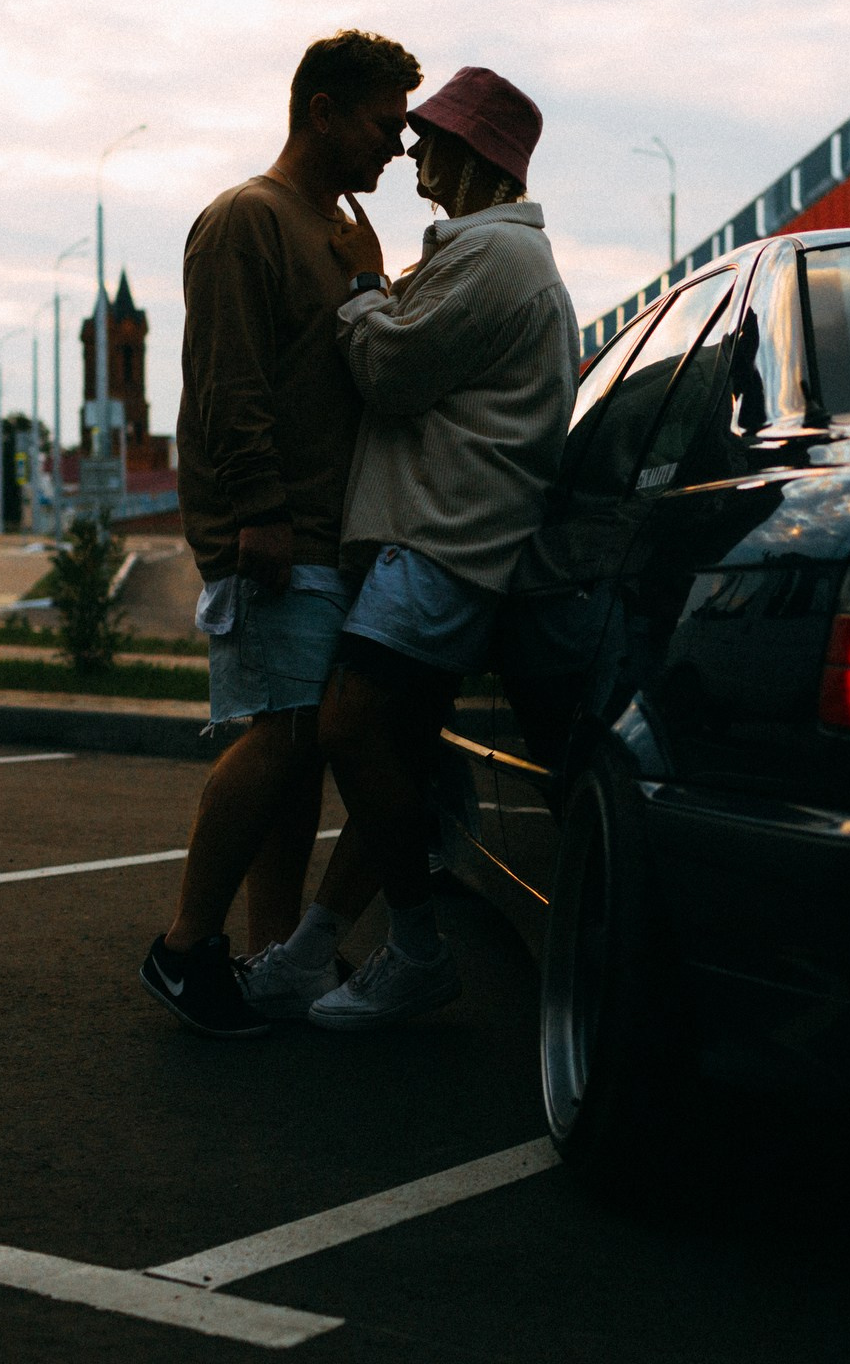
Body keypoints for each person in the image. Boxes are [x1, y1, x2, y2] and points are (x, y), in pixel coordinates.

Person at [237, 66, 577, 1030]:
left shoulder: (496, 259)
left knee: (348, 725)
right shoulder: (488, 258)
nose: (412, 150)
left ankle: (418, 950)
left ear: (472, 157)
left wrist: (357, 287)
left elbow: (388, 370)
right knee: (397, 746)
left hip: (441, 539)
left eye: (429, 137)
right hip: (448, 538)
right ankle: (315, 952)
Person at [138, 29, 422, 1038]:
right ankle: (183, 949)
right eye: (384, 125)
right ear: (321, 110)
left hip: (324, 533)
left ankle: (268, 958)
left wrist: (371, 281)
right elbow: (229, 381)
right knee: (285, 732)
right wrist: (256, 511)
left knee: (299, 747)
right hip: (274, 531)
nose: (396, 148)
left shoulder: (336, 235)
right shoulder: (245, 220)